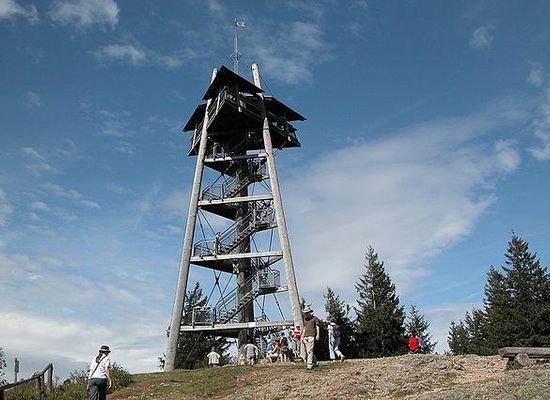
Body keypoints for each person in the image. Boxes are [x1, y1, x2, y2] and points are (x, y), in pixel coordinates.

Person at [301, 305, 320, 370]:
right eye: (305, 313)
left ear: (310, 312)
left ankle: (309, 364)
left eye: (307, 312)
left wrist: (318, 334)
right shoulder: (305, 319)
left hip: (311, 335)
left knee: (310, 350)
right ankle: (315, 362)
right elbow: (304, 328)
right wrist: (302, 336)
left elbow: (317, 326)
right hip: (305, 336)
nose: (306, 314)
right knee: (308, 350)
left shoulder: (315, 318)